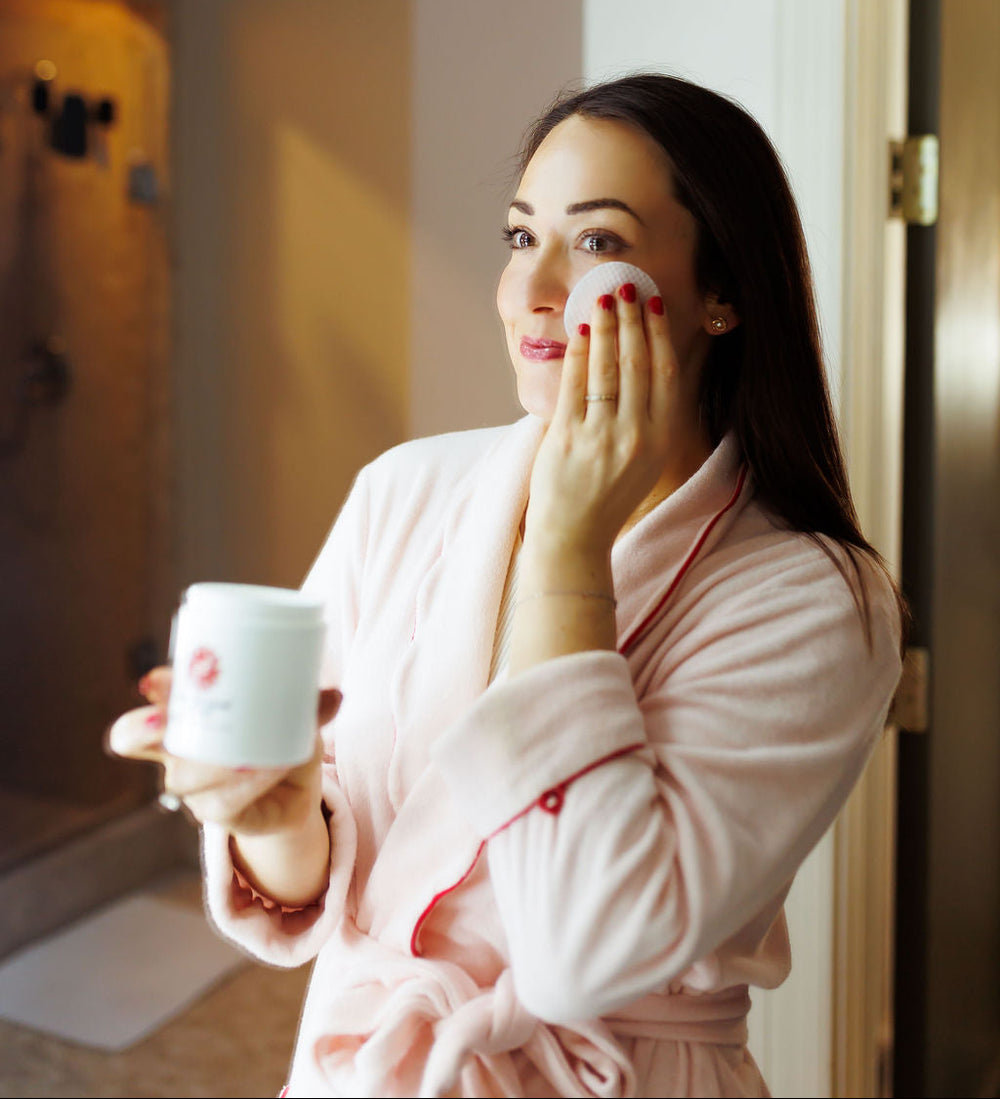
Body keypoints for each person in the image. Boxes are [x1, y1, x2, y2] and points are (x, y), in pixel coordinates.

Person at [110, 74, 904, 1097]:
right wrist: (270, 811)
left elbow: (584, 948)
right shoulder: (405, 490)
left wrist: (568, 553)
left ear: (721, 294)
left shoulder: (813, 599)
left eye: (600, 244)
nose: (531, 292)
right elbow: (329, 864)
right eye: (522, 236)